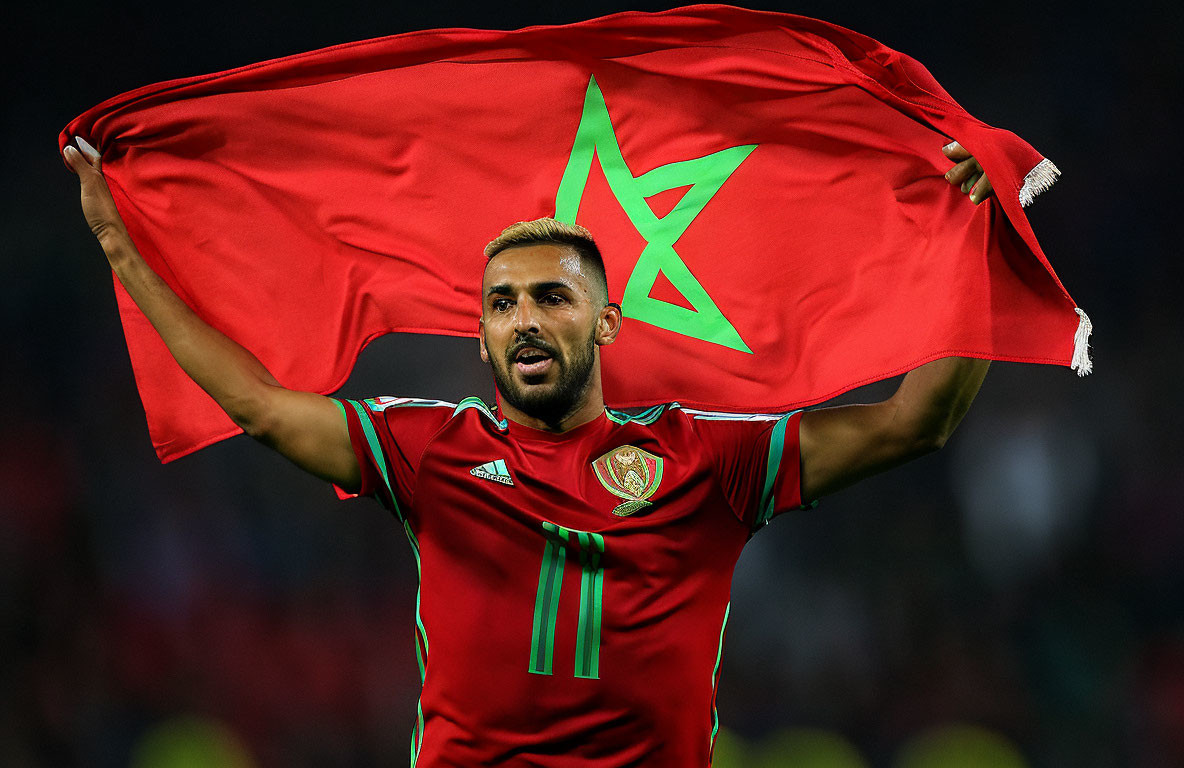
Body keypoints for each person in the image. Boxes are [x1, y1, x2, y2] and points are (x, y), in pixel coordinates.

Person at [65, 135, 994, 766]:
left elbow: (917, 421)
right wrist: (119, 243)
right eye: (502, 304)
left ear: (608, 320)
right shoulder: (430, 447)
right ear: (480, 338)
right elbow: (261, 406)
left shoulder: (704, 458)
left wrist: (973, 238)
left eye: (552, 296)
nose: (524, 320)